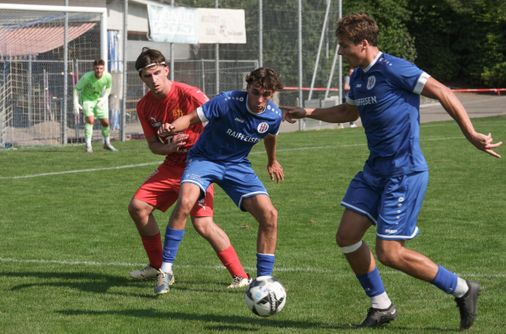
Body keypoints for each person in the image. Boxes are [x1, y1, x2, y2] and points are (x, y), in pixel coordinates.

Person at [282, 12, 502, 330]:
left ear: (364, 44)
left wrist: (471, 134)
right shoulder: (357, 76)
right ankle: (381, 306)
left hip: (404, 172)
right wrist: (309, 111)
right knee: (346, 237)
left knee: (390, 252)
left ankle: (463, 289)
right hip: (375, 170)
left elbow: (444, 92)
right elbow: (348, 111)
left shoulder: (395, 68)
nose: (340, 52)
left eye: (344, 46)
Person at [128, 47, 251, 292]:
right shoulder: (144, 106)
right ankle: (156, 266)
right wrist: (170, 147)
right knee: (138, 207)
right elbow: (153, 145)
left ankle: (241, 276)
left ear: (166, 70)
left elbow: (221, 118)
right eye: (146, 76)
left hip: (199, 166)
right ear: (141, 78)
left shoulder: (190, 94)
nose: (153, 80)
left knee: (203, 224)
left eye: (156, 73)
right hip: (172, 165)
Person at [154, 67, 285, 295]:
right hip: (204, 159)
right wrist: (171, 128)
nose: (260, 99)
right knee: (185, 202)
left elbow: (270, 136)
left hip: (237, 165)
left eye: (266, 94)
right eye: (256, 92)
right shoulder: (226, 101)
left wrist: (272, 161)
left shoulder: (273, 115)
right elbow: (192, 117)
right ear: (248, 89)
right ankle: (166, 270)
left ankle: (263, 281)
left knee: (270, 215)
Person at [73, 59, 117, 153]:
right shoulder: (87, 77)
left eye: (101, 68)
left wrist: (104, 97)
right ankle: (88, 145)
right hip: (87, 100)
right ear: (94, 68)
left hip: (98, 100)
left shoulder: (108, 76)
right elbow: (76, 89)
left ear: (104, 68)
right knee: (90, 120)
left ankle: (107, 143)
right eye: (97, 68)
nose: (99, 70)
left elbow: (109, 87)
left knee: (105, 122)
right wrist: (75, 103)